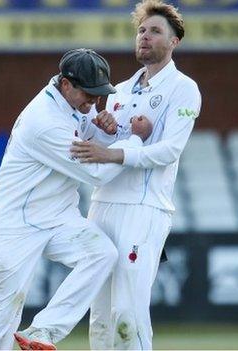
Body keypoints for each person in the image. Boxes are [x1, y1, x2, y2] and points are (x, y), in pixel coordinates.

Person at [0, 48, 153, 350]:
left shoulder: (77, 104)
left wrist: (106, 133)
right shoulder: (43, 121)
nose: (94, 102)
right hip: (18, 222)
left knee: (102, 254)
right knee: (2, 309)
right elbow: (95, 172)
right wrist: (133, 140)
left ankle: (43, 331)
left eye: (99, 95)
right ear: (66, 84)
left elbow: (95, 144)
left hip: (59, 216)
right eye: (89, 94)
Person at [70, 1, 202, 349]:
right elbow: (104, 143)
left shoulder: (183, 88)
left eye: (155, 31)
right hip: (102, 205)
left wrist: (112, 151)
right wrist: (106, 130)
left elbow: (170, 150)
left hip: (143, 208)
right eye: (142, 30)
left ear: (174, 42)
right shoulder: (120, 91)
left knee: (127, 311)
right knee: (99, 315)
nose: (145, 37)